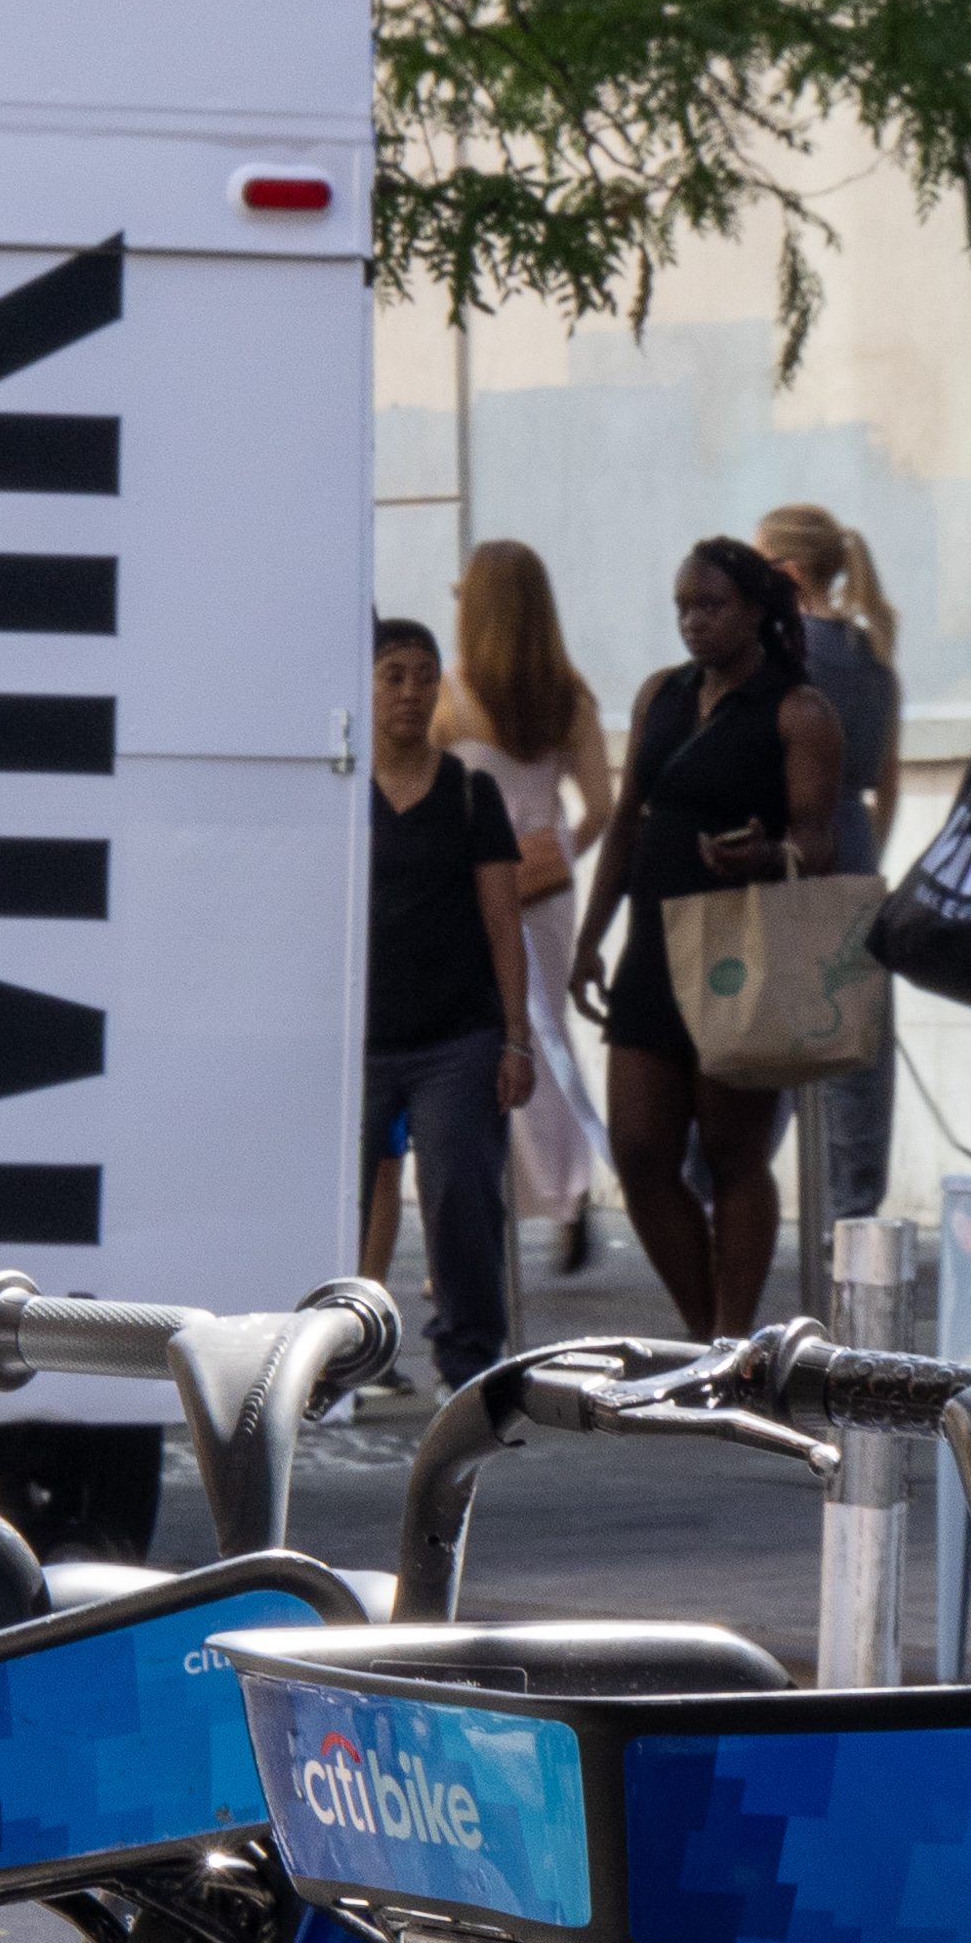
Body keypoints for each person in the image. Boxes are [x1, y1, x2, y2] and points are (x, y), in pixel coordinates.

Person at [573, 540, 847, 1337]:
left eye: (711, 605)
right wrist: (591, 938)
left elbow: (820, 840)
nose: (692, 621)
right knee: (640, 1151)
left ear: (757, 611)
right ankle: (704, 1335)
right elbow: (625, 822)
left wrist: (767, 856)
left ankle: (734, 1336)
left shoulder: (799, 711)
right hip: (653, 946)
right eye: (683, 607)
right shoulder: (663, 694)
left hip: (744, 949)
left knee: (733, 1153)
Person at [362, 615, 536, 1399]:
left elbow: (504, 921)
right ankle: (345, 1353)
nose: (409, 691)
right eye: (392, 674)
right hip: (357, 1041)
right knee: (346, 1203)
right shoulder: (338, 791)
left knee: (461, 1193)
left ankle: (468, 1360)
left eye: (423, 676)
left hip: (457, 1039)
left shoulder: (470, 793)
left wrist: (517, 1039)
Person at [439, 540, 614, 1271]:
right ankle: (569, 1192)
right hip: (544, 894)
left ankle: (486, 1215)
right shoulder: (569, 699)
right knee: (543, 1038)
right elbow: (602, 806)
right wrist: (554, 851)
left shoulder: (447, 699)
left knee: (469, 1045)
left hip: (461, 890)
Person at [753, 504, 903, 1223]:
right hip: (857, 849)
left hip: (783, 849)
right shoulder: (873, 651)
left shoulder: (782, 655)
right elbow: (889, 780)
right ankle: (852, 1218)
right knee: (856, 1067)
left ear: (783, 570)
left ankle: (731, 1200)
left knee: (761, 1048)